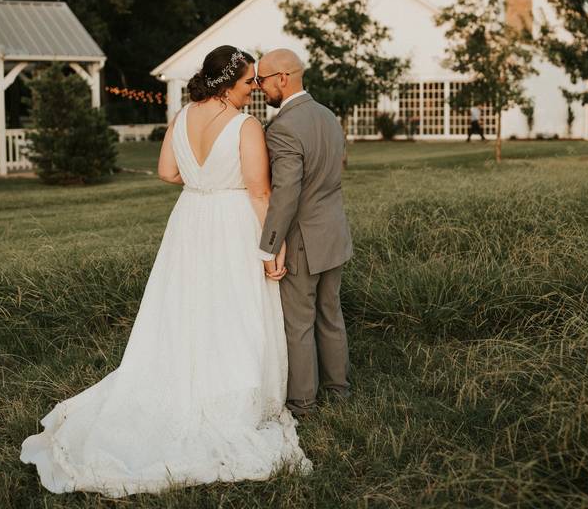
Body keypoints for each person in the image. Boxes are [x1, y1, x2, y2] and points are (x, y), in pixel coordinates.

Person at [20, 45, 310, 498]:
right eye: (249, 80)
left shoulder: (181, 117)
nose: (254, 88)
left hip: (190, 221)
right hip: (232, 224)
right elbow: (259, 191)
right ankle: (230, 395)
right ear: (227, 83)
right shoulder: (246, 126)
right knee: (232, 312)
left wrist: (202, 183)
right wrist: (275, 245)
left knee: (186, 307)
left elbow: (166, 172)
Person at [254, 49, 353, 418]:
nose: (260, 87)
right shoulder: (328, 116)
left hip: (302, 242)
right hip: (334, 233)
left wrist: (269, 247)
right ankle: (339, 390)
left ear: (283, 78)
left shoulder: (283, 128)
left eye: (262, 79)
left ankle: (302, 404)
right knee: (330, 313)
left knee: (298, 323)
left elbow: (286, 194)